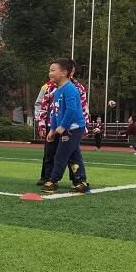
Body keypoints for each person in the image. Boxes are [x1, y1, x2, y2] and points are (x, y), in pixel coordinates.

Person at [41, 58, 90, 193]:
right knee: (74, 156)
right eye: (49, 70)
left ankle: (53, 181)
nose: (50, 73)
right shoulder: (57, 91)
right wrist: (52, 130)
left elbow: (72, 110)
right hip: (67, 128)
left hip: (73, 129)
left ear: (64, 73)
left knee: (61, 155)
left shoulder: (70, 89)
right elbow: (56, 113)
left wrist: (63, 126)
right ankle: (81, 181)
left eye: (53, 70)